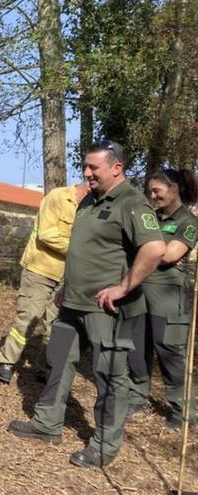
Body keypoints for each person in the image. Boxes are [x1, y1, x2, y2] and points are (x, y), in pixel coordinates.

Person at [7, 140, 165, 468]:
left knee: (108, 374)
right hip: (73, 303)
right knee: (58, 361)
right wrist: (67, 285)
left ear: (116, 168)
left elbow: (154, 249)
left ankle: (105, 445)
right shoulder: (90, 201)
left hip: (108, 309)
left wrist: (123, 287)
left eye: (94, 167)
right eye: (86, 166)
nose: (87, 173)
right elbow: (83, 249)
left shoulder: (133, 203)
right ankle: (47, 424)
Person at [0, 177, 89, 383]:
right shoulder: (58, 197)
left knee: (55, 324)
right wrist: (80, 250)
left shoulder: (92, 207)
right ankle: (6, 362)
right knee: (28, 317)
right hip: (40, 270)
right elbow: (46, 235)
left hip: (68, 276)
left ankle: (46, 367)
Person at [126, 168, 198, 431]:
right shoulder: (151, 218)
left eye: (157, 191)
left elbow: (169, 255)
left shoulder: (187, 222)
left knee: (169, 353)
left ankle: (184, 411)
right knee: (136, 346)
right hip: (140, 291)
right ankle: (137, 396)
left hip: (167, 295)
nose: (152, 196)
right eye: (150, 192)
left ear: (174, 189)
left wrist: (146, 246)